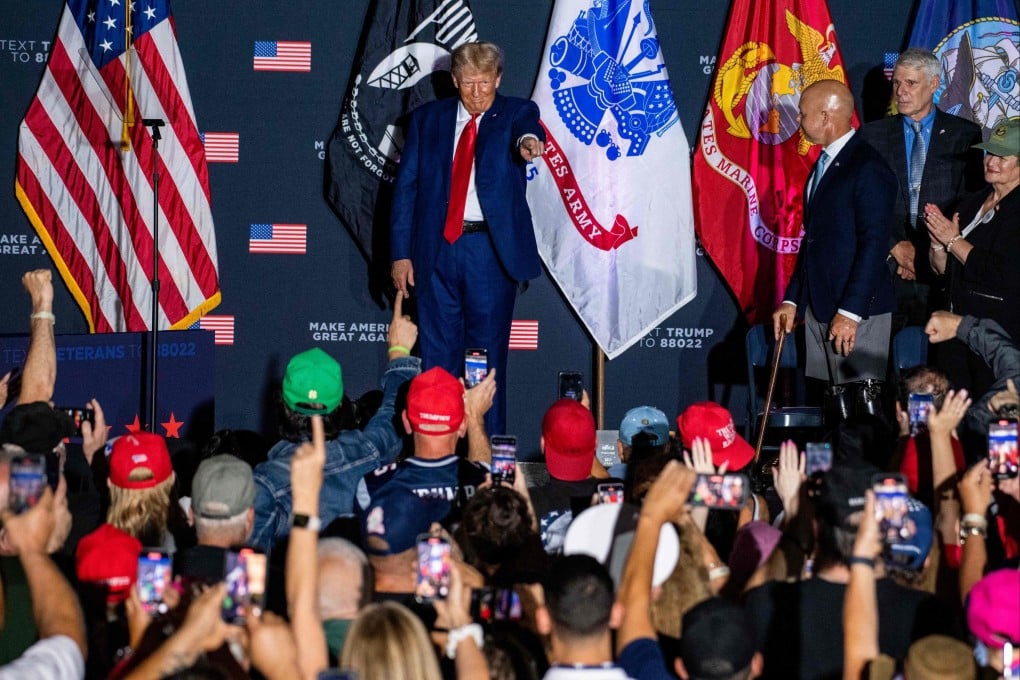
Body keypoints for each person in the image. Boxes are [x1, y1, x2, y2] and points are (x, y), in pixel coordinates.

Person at [390, 40, 546, 437]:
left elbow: (528, 131)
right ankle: (435, 450)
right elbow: (406, 189)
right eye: (468, 84)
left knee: (486, 361)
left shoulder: (515, 113)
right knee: (437, 360)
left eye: (485, 83)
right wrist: (400, 254)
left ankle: (490, 465)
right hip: (435, 252)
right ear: (455, 80)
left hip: (489, 254)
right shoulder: (427, 120)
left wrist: (529, 144)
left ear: (498, 78)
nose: (477, 94)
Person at [251, 295, 419, 553]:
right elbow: (392, 412)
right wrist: (399, 352)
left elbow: (251, 569)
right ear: (341, 405)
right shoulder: (368, 452)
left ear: (281, 406)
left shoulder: (263, 484)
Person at [773, 80, 897, 389]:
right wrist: (792, 299)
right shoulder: (823, 164)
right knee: (830, 414)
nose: (799, 121)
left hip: (857, 314)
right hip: (819, 308)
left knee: (859, 416)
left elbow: (874, 244)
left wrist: (850, 312)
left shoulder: (868, 166)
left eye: (803, 114)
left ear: (826, 116)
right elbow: (814, 241)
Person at [858, 48, 983, 329]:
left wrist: (929, 250)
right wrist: (895, 247)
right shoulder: (872, 136)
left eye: (911, 83)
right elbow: (863, 201)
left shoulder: (965, 135)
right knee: (885, 364)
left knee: (933, 366)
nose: (901, 91)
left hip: (941, 270)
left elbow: (971, 202)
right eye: (897, 83)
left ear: (934, 84)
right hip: (886, 268)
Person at [925, 118, 1020, 398]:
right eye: (989, 153)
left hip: (998, 338)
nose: (992, 161)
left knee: (993, 424)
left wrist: (954, 241)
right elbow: (944, 271)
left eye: (1002, 156)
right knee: (955, 418)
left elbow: (1006, 274)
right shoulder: (970, 202)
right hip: (954, 336)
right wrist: (938, 246)